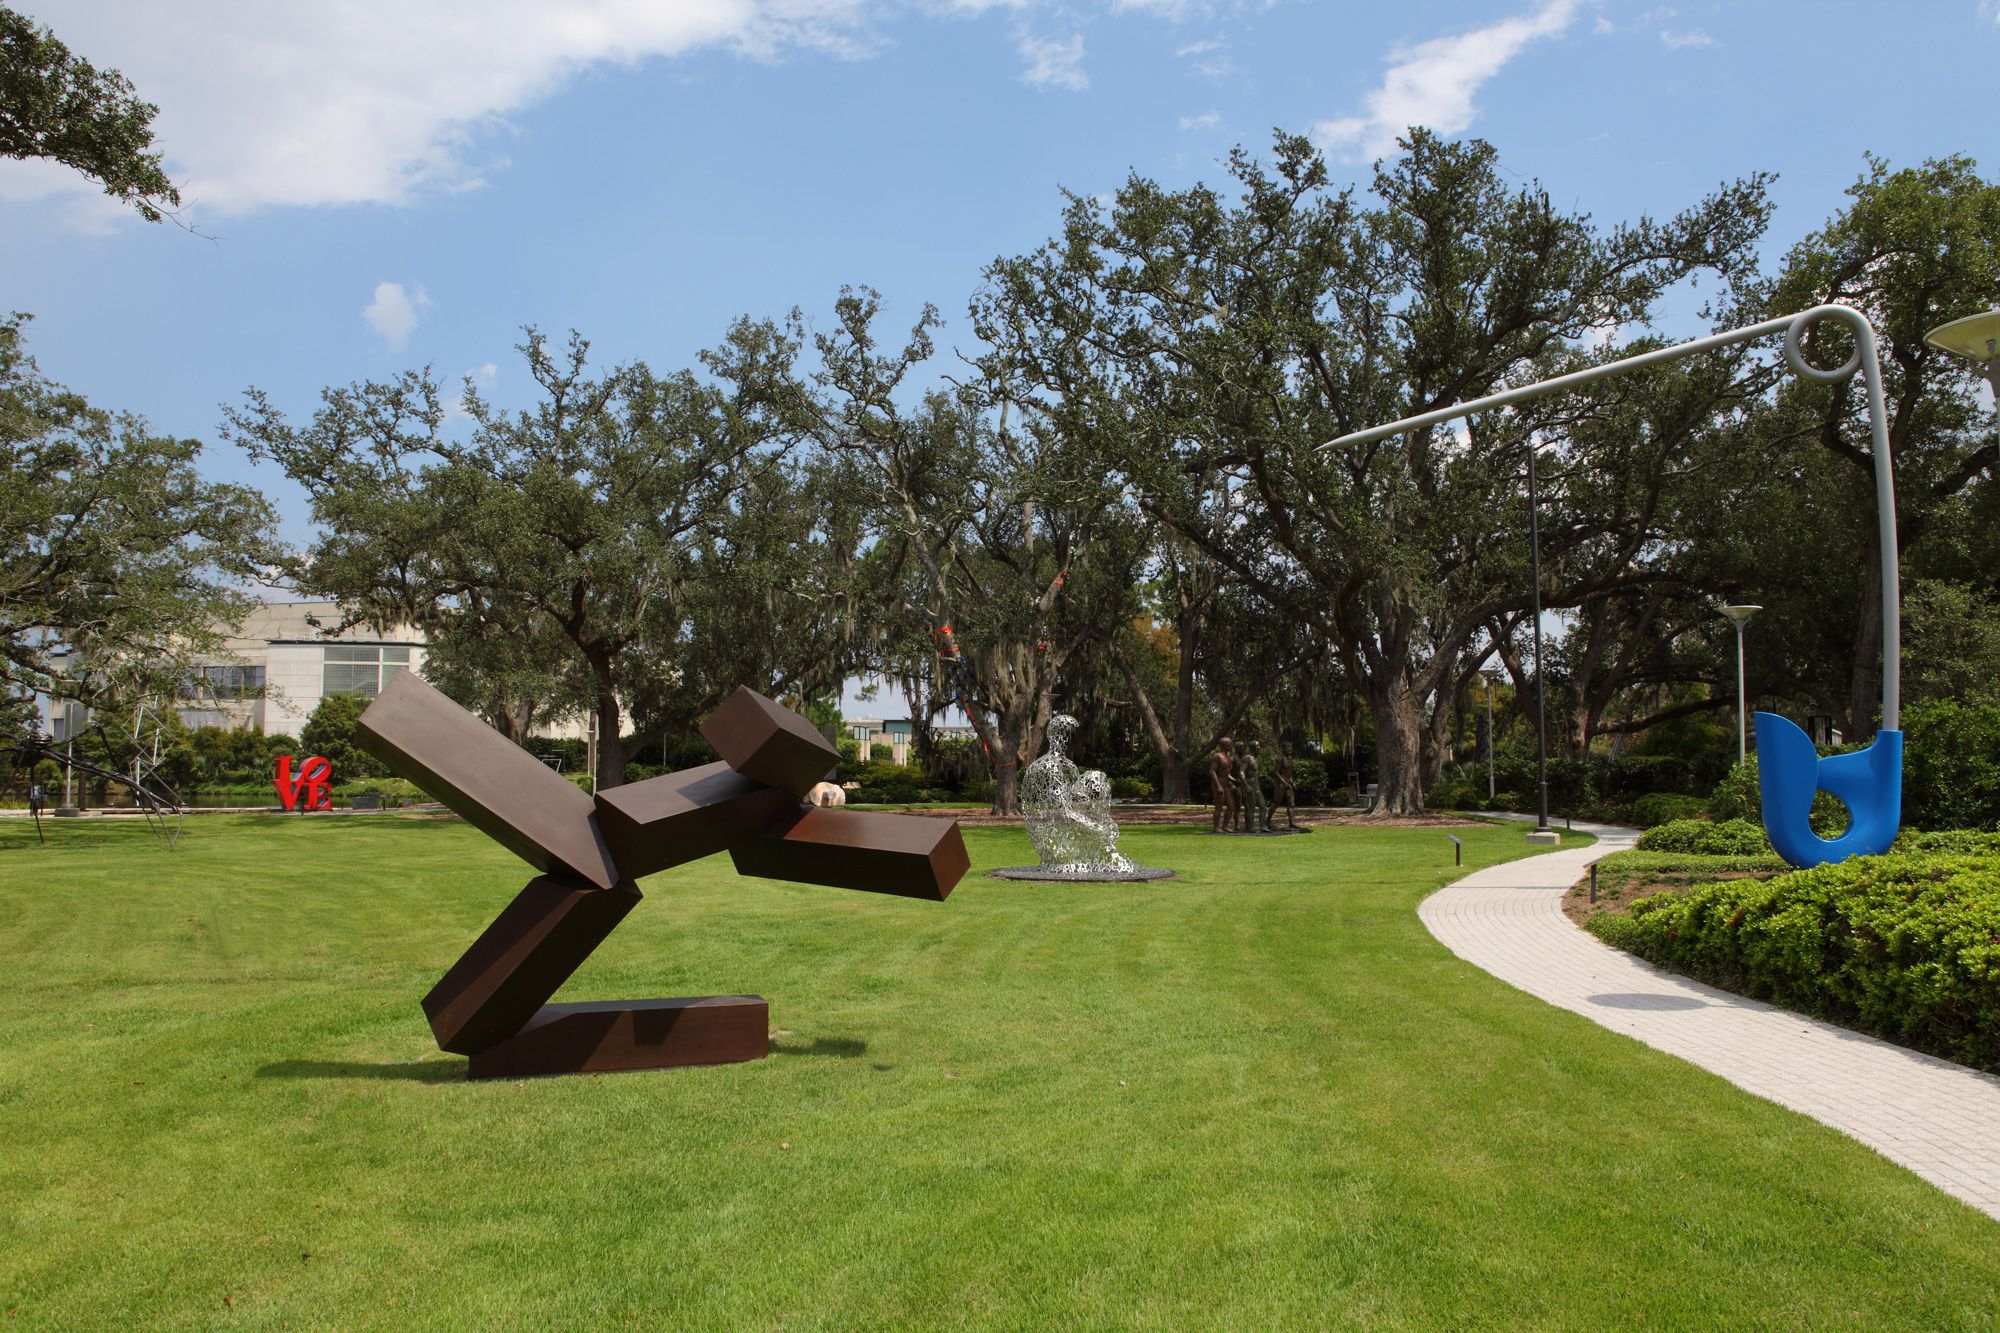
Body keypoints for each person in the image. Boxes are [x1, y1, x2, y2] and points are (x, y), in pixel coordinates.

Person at [1209, 738, 1241, 833]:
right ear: (1224, 745)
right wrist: (1218, 786)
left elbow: (1227, 773)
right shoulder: (1217, 756)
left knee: (1231, 807)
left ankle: (1225, 826)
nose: (1231, 746)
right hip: (1218, 784)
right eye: (1230, 744)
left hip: (1226, 785)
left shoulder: (1229, 757)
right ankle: (1216, 827)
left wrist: (1235, 781)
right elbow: (1212, 771)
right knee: (1218, 807)